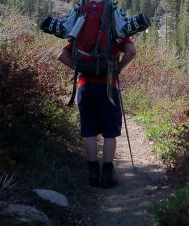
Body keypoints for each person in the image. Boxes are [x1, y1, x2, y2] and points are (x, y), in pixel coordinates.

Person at [58, 35, 137, 188]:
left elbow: (61, 55)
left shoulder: (82, 32)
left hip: (85, 87)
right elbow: (132, 51)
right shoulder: (115, 30)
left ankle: (93, 173)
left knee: (89, 131)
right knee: (110, 132)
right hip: (108, 86)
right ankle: (107, 174)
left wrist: (80, 67)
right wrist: (118, 68)